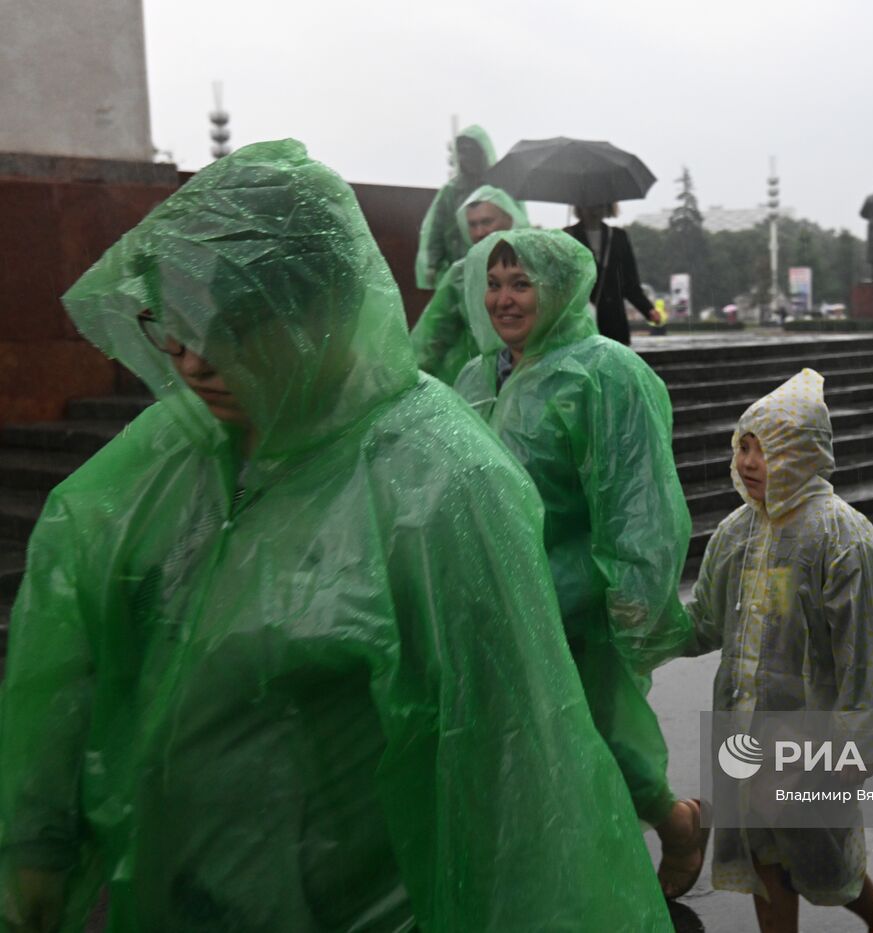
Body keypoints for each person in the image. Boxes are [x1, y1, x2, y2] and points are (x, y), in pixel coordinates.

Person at [0, 141, 672, 932]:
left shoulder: (441, 483)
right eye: (167, 320)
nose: (186, 355)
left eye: (223, 321)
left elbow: (514, 785)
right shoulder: (166, 459)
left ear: (318, 306)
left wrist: (631, 602)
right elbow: (69, 648)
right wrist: (39, 838)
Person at [454, 228, 707, 899]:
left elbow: (638, 500)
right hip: (497, 600)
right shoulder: (477, 376)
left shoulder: (605, 373)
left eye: (521, 282)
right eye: (496, 282)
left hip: (577, 604)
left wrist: (633, 600)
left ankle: (674, 821)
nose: (504, 299)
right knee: (521, 752)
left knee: (604, 741)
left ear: (560, 288)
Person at [686, 369, 873, 933]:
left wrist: (850, 754)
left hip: (813, 740)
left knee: (821, 854)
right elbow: (706, 623)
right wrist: (635, 624)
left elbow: (861, 658)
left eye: (764, 448)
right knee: (767, 854)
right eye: (742, 445)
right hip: (746, 727)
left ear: (804, 452)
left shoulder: (840, 537)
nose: (747, 461)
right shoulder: (737, 532)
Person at [410, 183, 529, 383]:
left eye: (487, 221)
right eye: (472, 225)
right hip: (480, 384)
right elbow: (432, 337)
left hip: (531, 376)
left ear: (509, 219)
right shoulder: (461, 274)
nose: (480, 232)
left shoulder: (535, 265)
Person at [564, 203, 660, 345]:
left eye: (600, 203)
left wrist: (648, 309)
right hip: (579, 319)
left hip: (614, 319)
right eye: (589, 202)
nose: (594, 208)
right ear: (579, 206)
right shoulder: (567, 236)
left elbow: (630, 282)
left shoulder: (618, 237)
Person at [414, 124, 495, 290]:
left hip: (494, 270)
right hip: (457, 270)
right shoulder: (452, 191)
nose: (466, 157)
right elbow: (435, 229)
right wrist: (432, 263)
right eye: (462, 152)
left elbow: (517, 225)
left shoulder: (499, 189)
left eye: (471, 151)